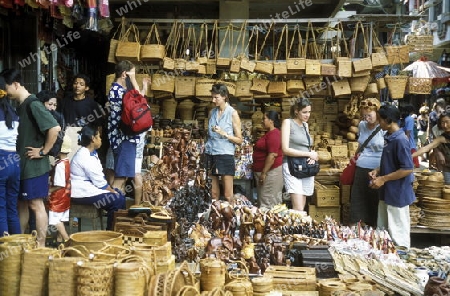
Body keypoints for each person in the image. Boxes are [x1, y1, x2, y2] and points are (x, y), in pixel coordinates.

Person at [0, 69, 61, 247]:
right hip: (23, 166)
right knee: (22, 205)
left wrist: (43, 151)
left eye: (5, 88)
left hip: (35, 166)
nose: (4, 92)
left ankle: (41, 245)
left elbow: (54, 128)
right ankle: (20, 244)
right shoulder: (18, 106)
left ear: (16, 84)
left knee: (36, 205)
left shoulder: (32, 104)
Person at [369, 105, 415, 249]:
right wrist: (377, 170)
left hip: (398, 193)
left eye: (380, 120)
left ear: (388, 120)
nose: (378, 123)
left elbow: (407, 169)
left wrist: (383, 179)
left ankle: (401, 260)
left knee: (398, 232)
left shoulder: (400, 140)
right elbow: (392, 162)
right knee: (384, 229)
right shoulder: (389, 137)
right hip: (387, 192)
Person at [107, 60, 150, 203]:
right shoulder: (119, 91)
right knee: (119, 179)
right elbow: (140, 101)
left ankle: (117, 210)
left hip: (125, 139)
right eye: (133, 73)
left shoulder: (120, 91)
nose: (134, 77)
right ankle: (114, 211)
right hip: (124, 139)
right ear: (125, 74)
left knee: (122, 176)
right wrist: (134, 80)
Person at [70, 125, 126, 230]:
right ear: (93, 139)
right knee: (117, 199)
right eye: (99, 137)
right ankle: (111, 232)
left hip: (89, 189)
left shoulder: (91, 153)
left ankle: (119, 228)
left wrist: (113, 190)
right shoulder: (84, 156)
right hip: (81, 193)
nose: (100, 140)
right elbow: (99, 182)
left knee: (120, 196)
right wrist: (111, 191)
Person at [350, 98, 385, 228]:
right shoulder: (362, 125)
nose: (366, 118)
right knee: (358, 200)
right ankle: (357, 229)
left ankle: (376, 229)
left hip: (378, 169)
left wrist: (380, 169)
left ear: (377, 113)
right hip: (361, 167)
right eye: (364, 115)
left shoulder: (384, 127)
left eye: (369, 115)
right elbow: (360, 145)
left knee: (374, 200)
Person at [205, 83, 243, 202]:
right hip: (210, 153)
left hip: (225, 155)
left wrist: (224, 134)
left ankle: (230, 218)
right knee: (214, 193)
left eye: (216, 97)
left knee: (227, 195)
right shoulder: (212, 112)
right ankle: (214, 217)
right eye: (212, 97)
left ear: (224, 96)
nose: (213, 100)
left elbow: (239, 140)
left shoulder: (232, 113)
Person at [281, 98, 318, 212]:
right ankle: (294, 228)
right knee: (297, 208)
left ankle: (298, 228)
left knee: (301, 208)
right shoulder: (288, 123)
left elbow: (307, 146)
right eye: (304, 112)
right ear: (296, 111)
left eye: (309, 112)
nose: (307, 115)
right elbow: (285, 149)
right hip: (292, 166)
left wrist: (312, 155)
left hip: (305, 167)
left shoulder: (305, 125)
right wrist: (307, 154)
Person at [252, 110, 283, 210]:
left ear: (271, 120)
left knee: (269, 202)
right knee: (265, 200)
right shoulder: (270, 133)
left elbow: (272, 155)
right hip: (267, 172)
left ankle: (270, 224)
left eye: (264, 118)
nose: (262, 121)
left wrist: (264, 173)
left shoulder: (274, 134)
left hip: (271, 173)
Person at [0, 88, 21, 236]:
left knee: (1, 207)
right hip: (14, 160)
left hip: (1, 160)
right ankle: (16, 248)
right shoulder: (14, 114)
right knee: (12, 208)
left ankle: (4, 251)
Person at [413, 113, 450, 185]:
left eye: (447, 121)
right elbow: (427, 148)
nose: (445, 125)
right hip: (447, 168)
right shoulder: (442, 137)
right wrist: (411, 156)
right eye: (442, 122)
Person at [48, 134, 72, 242]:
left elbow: (59, 184)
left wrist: (49, 191)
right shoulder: (66, 162)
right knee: (61, 218)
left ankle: (67, 239)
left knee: (55, 220)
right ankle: (59, 240)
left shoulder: (59, 166)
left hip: (58, 198)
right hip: (65, 197)